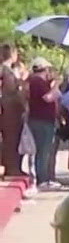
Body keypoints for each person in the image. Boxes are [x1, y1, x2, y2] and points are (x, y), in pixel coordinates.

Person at [24, 57, 59, 188]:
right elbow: (48, 98)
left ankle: (40, 177)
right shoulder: (38, 82)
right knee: (43, 150)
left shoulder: (34, 81)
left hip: (39, 119)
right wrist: (56, 85)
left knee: (40, 150)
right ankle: (42, 179)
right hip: (42, 121)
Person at [0, 43, 21, 179]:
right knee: (10, 140)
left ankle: (11, 167)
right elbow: (10, 90)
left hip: (8, 109)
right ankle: (11, 168)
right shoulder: (7, 72)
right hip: (9, 110)